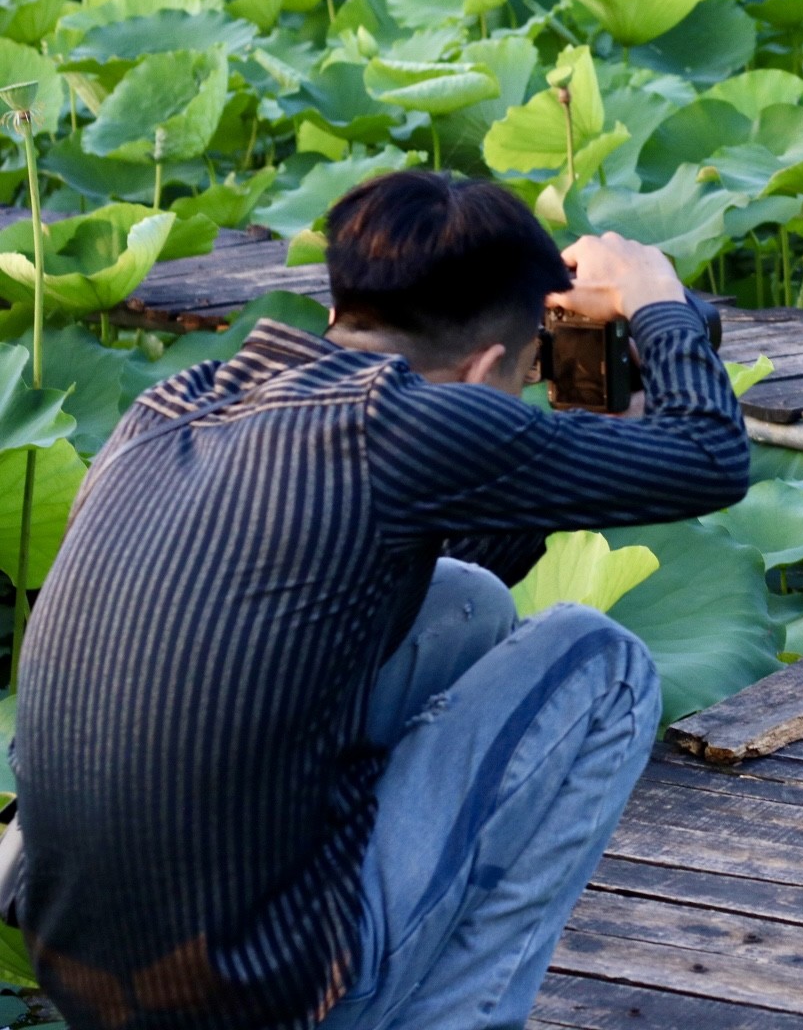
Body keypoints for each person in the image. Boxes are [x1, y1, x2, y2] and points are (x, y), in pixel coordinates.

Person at [11, 169, 750, 1030]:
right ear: (480, 370)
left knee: (462, 600)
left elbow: (414, 561)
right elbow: (711, 457)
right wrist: (656, 301)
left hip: (88, 972)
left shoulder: (177, 401)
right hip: (260, 993)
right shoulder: (403, 425)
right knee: (604, 662)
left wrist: (584, 435)